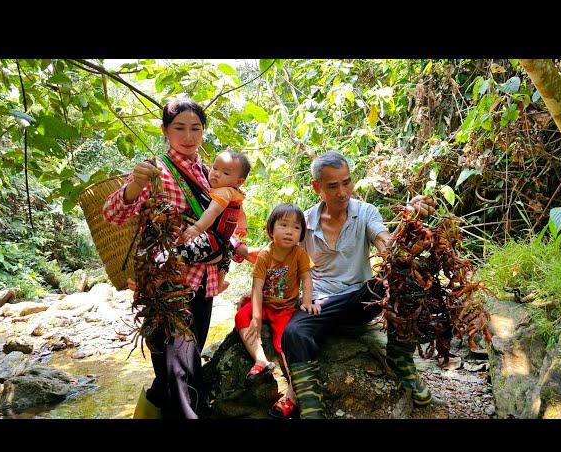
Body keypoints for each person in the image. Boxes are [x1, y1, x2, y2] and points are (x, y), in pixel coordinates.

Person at [102, 96, 251, 419]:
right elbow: (112, 214)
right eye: (179, 128)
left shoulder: (210, 172)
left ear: (204, 131)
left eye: (195, 128)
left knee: (180, 368)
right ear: (164, 130)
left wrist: (235, 246)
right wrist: (133, 187)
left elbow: (224, 222)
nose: (188, 137)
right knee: (181, 373)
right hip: (166, 287)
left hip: (203, 285)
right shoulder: (154, 171)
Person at [279, 151, 436, 419]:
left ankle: (399, 357)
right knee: (293, 332)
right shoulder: (304, 222)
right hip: (321, 303)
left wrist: (410, 220)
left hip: (361, 300)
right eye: (333, 185)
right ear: (317, 187)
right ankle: (311, 406)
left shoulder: (365, 213)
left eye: (347, 182)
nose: (342, 192)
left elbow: (388, 248)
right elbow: (282, 260)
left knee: (404, 278)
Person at [234, 204, 321, 419]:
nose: (290, 231)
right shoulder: (265, 254)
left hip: (285, 309)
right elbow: (257, 286)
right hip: (265, 305)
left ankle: (293, 392)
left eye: (296, 227)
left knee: (285, 342)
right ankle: (261, 360)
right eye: (283, 225)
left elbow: (307, 280)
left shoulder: (299, 254)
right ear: (271, 230)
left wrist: (307, 301)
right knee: (241, 316)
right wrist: (255, 317)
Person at [178, 150, 250, 293]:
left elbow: (212, 212)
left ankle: (169, 277)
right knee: (226, 257)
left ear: (239, 181)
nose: (216, 173)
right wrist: (243, 227)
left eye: (226, 173)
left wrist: (197, 228)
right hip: (223, 241)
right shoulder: (236, 194)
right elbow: (241, 213)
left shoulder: (223, 193)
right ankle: (219, 283)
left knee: (182, 254)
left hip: (212, 239)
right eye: (215, 168)